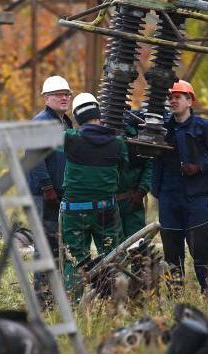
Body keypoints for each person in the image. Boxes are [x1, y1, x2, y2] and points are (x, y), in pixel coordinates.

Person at [152, 80, 208, 297]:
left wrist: (199, 167)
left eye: (179, 96)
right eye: (171, 97)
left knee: (201, 250)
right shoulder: (160, 128)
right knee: (171, 253)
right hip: (168, 199)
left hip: (196, 199)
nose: (173, 100)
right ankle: (175, 297)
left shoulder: (205, 128)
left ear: (190, 101)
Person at [60, 92, 127, 291]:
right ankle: (114, 298)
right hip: (106, 209)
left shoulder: (69, 139)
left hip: (74, 212)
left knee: (75, 259)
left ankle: (76, 304)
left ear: (78, 117)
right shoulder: (118, 142)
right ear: (99, 114)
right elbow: (123, 171)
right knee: (113, 255)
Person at [27, 76, 73, 305]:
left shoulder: (66, 123)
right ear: (46, 98)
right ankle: (42, 300)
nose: (64, 97)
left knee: (58, 244)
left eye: (67, 93)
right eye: (58, 94)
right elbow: (34, 159)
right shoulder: (41, 123)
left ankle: (56, 296)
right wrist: (47, 187)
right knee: (44, 245)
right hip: (43, 195)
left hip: (59, 194)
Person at [116, 112, 153, 240]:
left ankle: (141, 260)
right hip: (110, 202)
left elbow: (149, 166)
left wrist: (141, 191)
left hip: (132, 199)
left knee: (137, 242)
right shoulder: (105, 133)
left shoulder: (138, 135)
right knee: (114, 245)